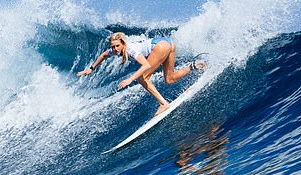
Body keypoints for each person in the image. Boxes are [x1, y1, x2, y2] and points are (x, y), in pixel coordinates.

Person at [77, 32, 206, 115]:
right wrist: (91, 69)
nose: (114, 49)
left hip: (160, 46)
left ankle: (163, 104)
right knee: (169, 79)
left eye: (117, 46)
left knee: (142, 78)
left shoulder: (130, 50)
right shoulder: (115, 51)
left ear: (123, 44)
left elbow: (145, 65)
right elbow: (104, 55)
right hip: (168, 42)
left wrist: (130, 79)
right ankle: (196, 65)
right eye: (112, 46)